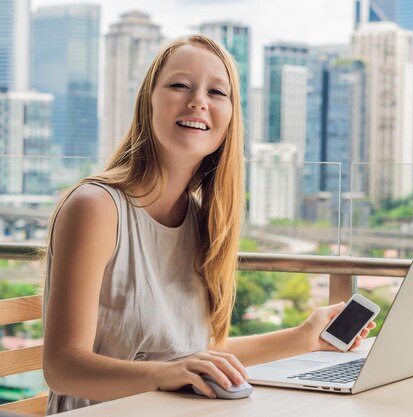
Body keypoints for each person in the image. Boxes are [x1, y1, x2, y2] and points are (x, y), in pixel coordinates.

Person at [42, 34, 375, 414]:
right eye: (180, 85)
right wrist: (165, 373)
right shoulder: (96, 208)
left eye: (217, 92)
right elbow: (62, 368)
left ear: (231, 116)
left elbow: (195, 359)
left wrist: (305, 337)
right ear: (147, 102)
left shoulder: (203, 220)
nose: (198, 100)